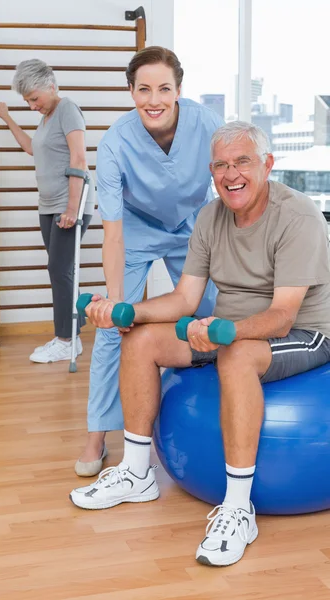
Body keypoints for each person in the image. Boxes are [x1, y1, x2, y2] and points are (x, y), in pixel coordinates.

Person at [70, 121, 330, 567]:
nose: (232, 174)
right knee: (141, 340)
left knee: (236, 356)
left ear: (267, 164)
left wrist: (218, 331)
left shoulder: (297, 214)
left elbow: (283, 315)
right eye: (221, 165)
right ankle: (137, 471)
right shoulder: (210, 217)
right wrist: (121, 309)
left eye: (243, 162)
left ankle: (237, 508)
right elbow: (184, 298)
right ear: (212, 172)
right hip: (228, 328)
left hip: (305, 334)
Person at [76, 46, 223, 476]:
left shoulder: (206, 124)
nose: (153, 99)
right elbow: (114, 233)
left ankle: (216, 405)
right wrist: (118, 304)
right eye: (143, 89)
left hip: (192, 224)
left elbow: (231, 184)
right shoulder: (116, 143)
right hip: (136, 230)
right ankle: (97, 436)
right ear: (131, 91)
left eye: (163, 88)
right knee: (111, 328)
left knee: (212, 310)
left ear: (179, 91)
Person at [0, 59, 94, 363]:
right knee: (62, 271)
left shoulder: (67, 109)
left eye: (35, 99)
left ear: (51, 86)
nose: (32, 106)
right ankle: (70, 334)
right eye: (27, 101)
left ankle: (66, 339)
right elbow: (32, 148)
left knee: (58, 270)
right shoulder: (46, 118)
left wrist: (72, 208)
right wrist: (7, 117)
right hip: (49, 206)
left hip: (69, 205)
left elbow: (79, 158)